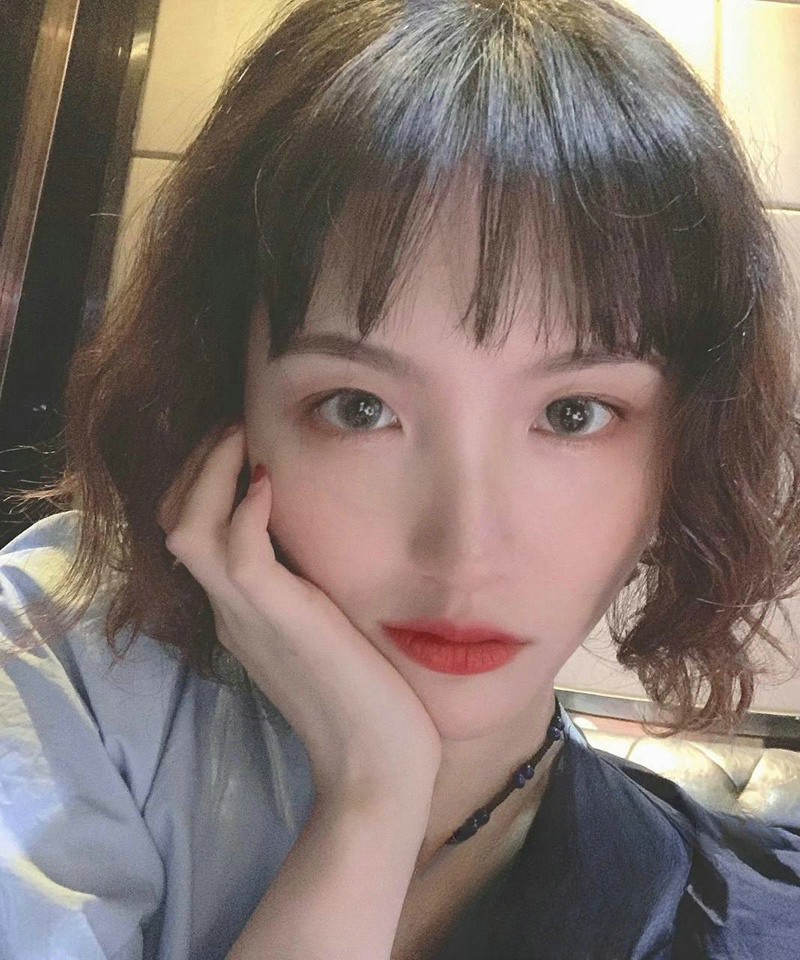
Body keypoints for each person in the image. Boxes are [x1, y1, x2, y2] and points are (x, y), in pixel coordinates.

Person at [2, 0, 800, 957]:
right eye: (358, 408)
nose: (466, 548)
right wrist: (372, 797)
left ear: (690, 443)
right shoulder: (62, 661)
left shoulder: (726, 907)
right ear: (225, 402)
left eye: (573, 415)